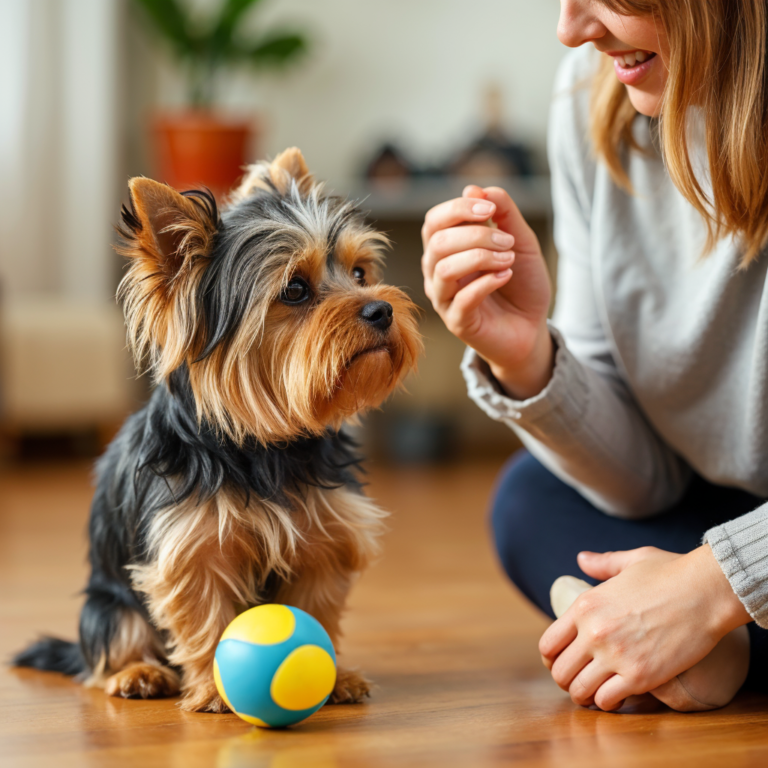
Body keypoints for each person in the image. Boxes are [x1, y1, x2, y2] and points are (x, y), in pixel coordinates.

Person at [421, 0, 768, 713]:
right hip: (728, 496)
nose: (570, 29)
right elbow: (647, 485)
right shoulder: (593, 91)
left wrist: (714, 587)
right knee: (532, 499)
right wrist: (529, 357)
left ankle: (724, 639)